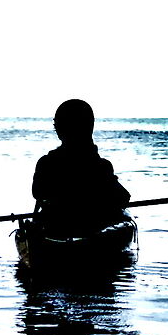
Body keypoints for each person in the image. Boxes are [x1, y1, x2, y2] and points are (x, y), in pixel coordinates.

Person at [31, 99, 130, 236]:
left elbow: (38, 194)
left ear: (59, 129)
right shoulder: (101, 166)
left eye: (56, 125)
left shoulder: (46, 163)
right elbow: (123, 198)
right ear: (89, 128)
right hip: (90, 226)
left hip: (57, 227)